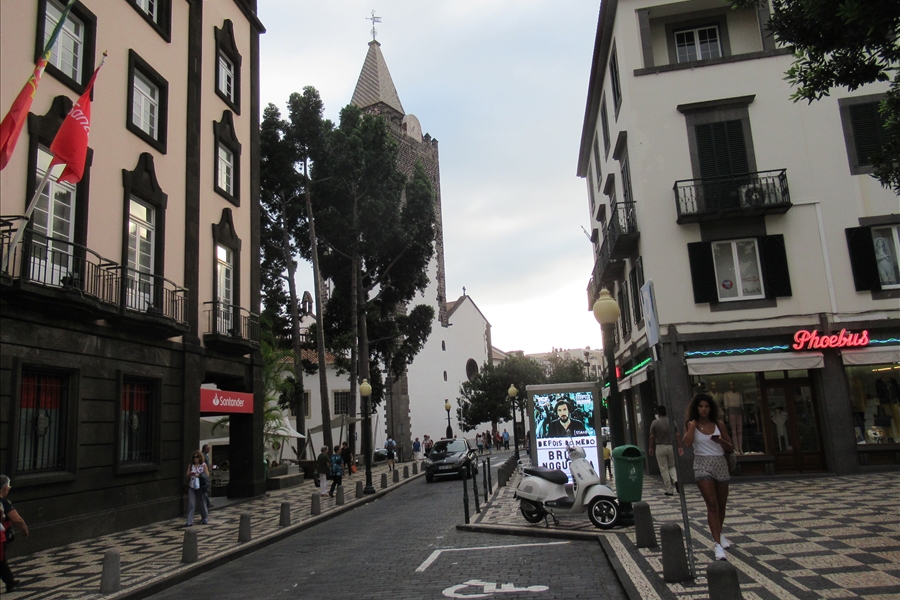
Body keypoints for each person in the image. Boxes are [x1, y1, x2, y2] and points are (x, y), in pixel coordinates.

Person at [682, 392, 734, 561]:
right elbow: (687, 443)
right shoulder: (691, 424)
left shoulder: (719, 424)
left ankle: (719, 532)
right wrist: (691, 427)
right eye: (700, 406)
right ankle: (717, 544)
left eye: (706, 406)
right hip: (702, 464)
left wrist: (720, 441)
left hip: (720, 463)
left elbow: (730, 447)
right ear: (696, 408)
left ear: (711, 408)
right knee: (711, 504)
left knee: (721, 505)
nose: (703, 409)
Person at [0, 475, 28, 593]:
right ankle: (10, 581)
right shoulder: (4, 502)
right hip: (1, 535)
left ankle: (10, 581)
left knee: (1, 559)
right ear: (5, 488)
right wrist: (24, 528)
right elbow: (17, 518)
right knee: (0, 559)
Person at [648, 405, 683, 496]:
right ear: (666, 413)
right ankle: (676, 480)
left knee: (664, 469)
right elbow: (678, 435)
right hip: (671, 446)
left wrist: (651, 447)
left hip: (660, 446)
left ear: (658, 413)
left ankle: (669, 490)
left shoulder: (655, 423)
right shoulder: (672, 422)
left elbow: (652, 436)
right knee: (672, 466)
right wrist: (680, 446)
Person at [184, 451, 209, 527]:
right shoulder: (191, 465)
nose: (195, 459)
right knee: (191, 503)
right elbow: (187, 476)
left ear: (200, 457)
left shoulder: (203, 465)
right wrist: (190, 474)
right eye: (194, 457)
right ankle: (189, 521)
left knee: (202, 503)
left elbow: (207, 475)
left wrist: (200, 475)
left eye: (197, 457)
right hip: (192, 486)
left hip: (200, 486)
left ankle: (204, 518)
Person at [201, 444, 213, 508]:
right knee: (205, 488)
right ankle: (207, 502)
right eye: (208, 448)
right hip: (204, 474)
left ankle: (207, 502)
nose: (209, 450)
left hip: (206, 473)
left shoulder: (206, 455)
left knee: (205, 488)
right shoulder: (202, 455)